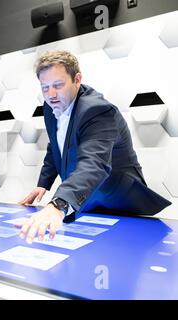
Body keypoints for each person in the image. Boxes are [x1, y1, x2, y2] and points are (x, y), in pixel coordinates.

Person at [18, 50, 171, 243]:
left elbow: (94, 164)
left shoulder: (98, 111)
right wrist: (44, 183)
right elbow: (56, 145)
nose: (51, 95)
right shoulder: (50, 107)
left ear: (77, 79)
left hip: (119, 203)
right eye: (45, 87)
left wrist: (58, 204)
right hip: (85, 201)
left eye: (58, 85)